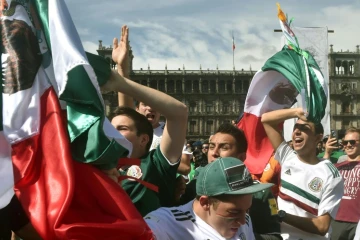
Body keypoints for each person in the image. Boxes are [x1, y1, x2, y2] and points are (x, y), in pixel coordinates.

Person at [107, 26, 188, 216]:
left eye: (121, 128)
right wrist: (122, 70)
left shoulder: (156, 164)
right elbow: (127, 115)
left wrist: (122, 82)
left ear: (143, 139)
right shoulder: (105, 164)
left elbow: (179, 114)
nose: (112, 132)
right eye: (111, 128)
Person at [181, 123, 282, 240]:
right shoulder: (193, 187)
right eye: (212, 146)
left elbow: (274, 237)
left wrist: (242, 236)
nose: (214, 153)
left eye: (224, 147)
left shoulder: (261, 193)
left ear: (241, 157)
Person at [262, 108, 344, 240]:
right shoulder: (287, 157)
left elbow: (322, 226)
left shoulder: (331, 175)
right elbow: (266, 120)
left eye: (304, 128)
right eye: (295, 128)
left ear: (318, 137)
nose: (297, 132)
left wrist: (281, 215)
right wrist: (295, 112)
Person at [145, 157, 273, 240]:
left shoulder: (245, 219)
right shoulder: (164, 224)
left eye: (247, 210)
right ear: (205, 202)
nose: (242, 221)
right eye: (234, 212)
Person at [330, 127, 360, 240]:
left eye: (352, 142)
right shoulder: (336, 167)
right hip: (337, 220)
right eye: (345, 142)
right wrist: (327, 153)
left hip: (358, 222)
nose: (348, 145)